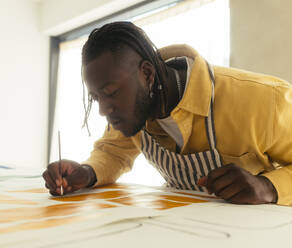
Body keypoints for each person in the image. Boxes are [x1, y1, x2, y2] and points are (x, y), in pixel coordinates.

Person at [43, 21, 292, 206]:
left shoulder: (265, 99)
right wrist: (86, 173)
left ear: (148, 74)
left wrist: (268, 187)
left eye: (111, 93)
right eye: (96, 98)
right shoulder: (134, 104)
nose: (102, 110)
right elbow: (114, 151)